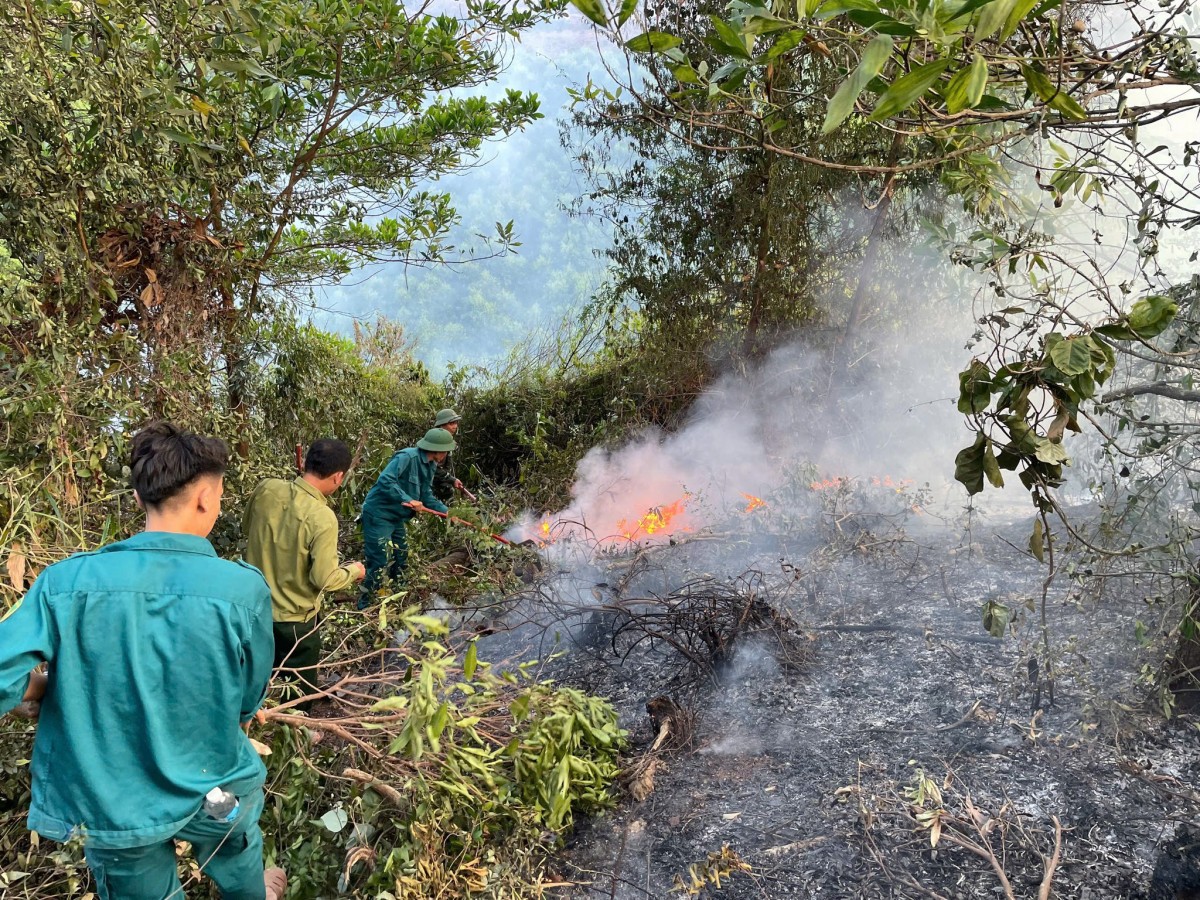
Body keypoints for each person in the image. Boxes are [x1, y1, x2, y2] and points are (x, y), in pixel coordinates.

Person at [0, 422, 285, 900]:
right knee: (237, 859)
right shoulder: (243, 590)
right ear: (205, 500)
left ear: (138, 499)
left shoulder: (65, 583)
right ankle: (256, 891)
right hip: (215, 788)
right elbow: (247, 697)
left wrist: (33, 691)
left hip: (116, 803)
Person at [242, 439, 365, 712]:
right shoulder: (322, 517)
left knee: (260, 673)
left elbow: (246, 526)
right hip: (295, 622)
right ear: (338, 477)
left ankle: (259, 719)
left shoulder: (266, 489)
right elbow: (325, 579)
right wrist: (354, 571)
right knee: (298, 683)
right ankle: (298, 731)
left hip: (254, 609)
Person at [357, 427, 455, 608]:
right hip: (379, 514)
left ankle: (398, 599)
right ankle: (365, 606)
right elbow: (385, 480)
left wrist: (446, 511)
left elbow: (425, 494)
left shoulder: (431, 465)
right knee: (379, 561)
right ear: (437, 449)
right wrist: (408, 499)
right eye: (446, 451)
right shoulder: (407, 457)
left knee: (401, 558)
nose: (446, 454)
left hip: (397, 518)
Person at [430, 408, 471, 504]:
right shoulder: (433, 441)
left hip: (440, 479)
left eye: (456, 423)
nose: (455, 426)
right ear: (441, 425)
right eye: (451, 423)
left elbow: (447, 467)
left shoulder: (450, 441)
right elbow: (430, 467)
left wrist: (451, 480)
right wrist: (451, 479)